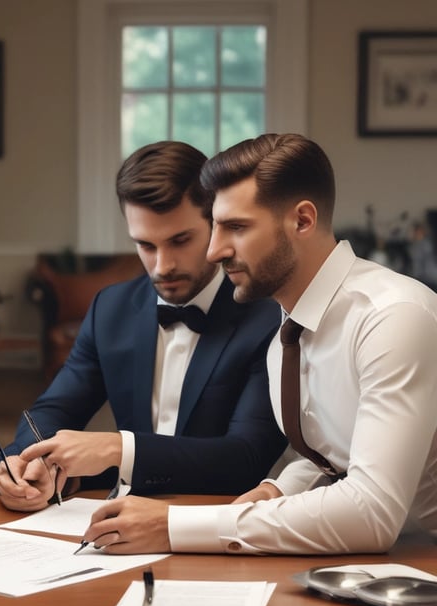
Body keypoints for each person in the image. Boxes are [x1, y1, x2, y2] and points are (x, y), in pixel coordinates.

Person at [83, 133, 437, 555]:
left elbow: (372, 512)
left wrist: (171, 526)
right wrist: (276, 489)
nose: (214, 251)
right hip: (381, 562)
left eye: (236, 227)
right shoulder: (287, 330)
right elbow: (331, 455)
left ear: (302, 221)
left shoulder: (393, 316)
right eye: (215, 226)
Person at [0, 141, 287, 511]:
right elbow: (54, 409)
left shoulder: (270, 316)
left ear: (215, 224)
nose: (162, 266)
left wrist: (117, 448)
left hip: (224, 524)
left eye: (180, 240)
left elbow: (245, 459)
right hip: (120, 522)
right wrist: (21, 461)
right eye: (145, 245)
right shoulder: (111, 309)